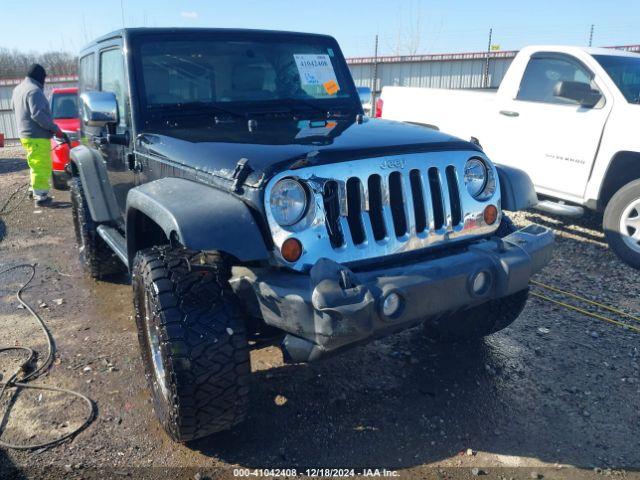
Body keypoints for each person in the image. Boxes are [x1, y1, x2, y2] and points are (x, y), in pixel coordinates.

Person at [11, 64, 65, 206]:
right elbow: (38, 115)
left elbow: (14, 108)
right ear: (41, 77)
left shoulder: (18, 89)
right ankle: (41, 196)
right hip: (37, 136)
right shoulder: (34, 91)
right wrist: (55, 129)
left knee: (34, 163)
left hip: (25, 135)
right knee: (42, 165)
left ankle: (33, 190)